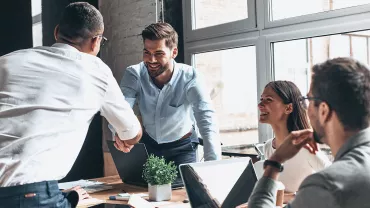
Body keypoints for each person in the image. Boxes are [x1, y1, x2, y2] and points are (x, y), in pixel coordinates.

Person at [0, 2, 142, 208]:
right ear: (96, 42)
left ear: (57, 32)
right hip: (30, 196)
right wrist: (123, 135)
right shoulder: (95, 70)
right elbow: (132, 134)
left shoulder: (7, 62)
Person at [248, 57, 370, 208]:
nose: (305, 108)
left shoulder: (325, 185)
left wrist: (275, 162)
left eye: (309, 100)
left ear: (324, 111)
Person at [118, 22, 221, 181]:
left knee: (183, 196)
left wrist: (213, 168)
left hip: (182, 150)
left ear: (174, 52)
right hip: (148, 147)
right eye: (147, 52)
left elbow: (206, 119)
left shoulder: (191, 77)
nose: (151, 60)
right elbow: (120, 109)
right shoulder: (134, 74)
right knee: (140, 195)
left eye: (159, 53)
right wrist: (119, 132)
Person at [258, 81, 331, 192]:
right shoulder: (268, 147)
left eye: (268, 99)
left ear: (288, 108)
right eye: (261, 99)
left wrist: (291, 197)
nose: (260, 105)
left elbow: (335, 179)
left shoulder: (305, 147)